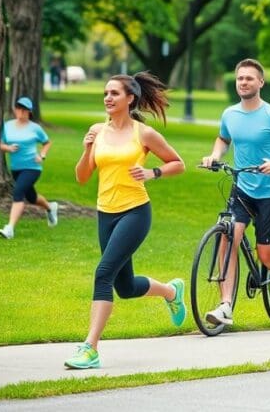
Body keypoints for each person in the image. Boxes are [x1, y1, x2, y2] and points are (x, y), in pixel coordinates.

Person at [66, 72, 186, 370]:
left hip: (135, 211)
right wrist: (86, 149)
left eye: (114, 93)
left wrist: (152, 173)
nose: (108, 98)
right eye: (105, 93)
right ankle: (172, 291)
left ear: (130, 98)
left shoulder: (142, 133)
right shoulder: (97, 131)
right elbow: (82, 177)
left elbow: (178, 163)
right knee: (126, 286)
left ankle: (89, 348)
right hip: (105, 213)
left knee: (103, 273)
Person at [201, 58, 270, 326]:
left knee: (265, 254)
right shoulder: (230, 114)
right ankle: (225, 306)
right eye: (240, 78)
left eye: (249, 78)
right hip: (241, 187)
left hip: (269, 192)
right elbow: (223, 138)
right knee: (227, 237)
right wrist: (214, 155)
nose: (243, 82)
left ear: (261, 82)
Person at [0, 97, 59, 239]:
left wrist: (42, 155)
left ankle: (9, 228)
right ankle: (50, 207)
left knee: (18, 193)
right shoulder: (7, 126)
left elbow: (47, 142)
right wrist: (8, 148)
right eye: (18, 108)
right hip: (16, 168)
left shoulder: (35, 128)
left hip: (32, 167)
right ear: (14, 109)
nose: (21, 111)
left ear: (29, 112)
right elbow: (0, 144)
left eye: (24, 109)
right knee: (31, 197)